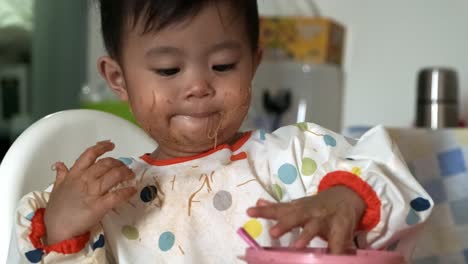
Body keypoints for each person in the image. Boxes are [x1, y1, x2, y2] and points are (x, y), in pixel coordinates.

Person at [15, 0, 432, 263]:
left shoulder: (296, 157)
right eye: (168, 70)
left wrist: (346, 197)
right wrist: (61, 228)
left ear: (253, 61)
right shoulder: (112, 198)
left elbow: (391, 183)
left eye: (223, 65)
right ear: (118, 79)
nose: (198, 85)